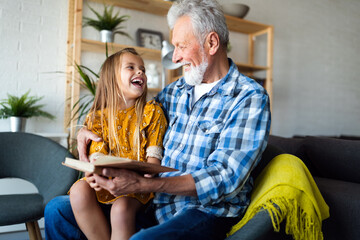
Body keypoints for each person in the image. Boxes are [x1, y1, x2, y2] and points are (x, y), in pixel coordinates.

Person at [45, 0, 271, 239]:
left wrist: (143, 185)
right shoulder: (174, 92)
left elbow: (226, 177)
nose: (174, 58)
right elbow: (133, 115)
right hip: (154, 202)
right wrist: (85, 130)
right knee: (57, 210)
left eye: (181, 46)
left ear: (212, 43)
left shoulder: (248, 96)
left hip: (204, 211)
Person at [67, 48, 168, 240]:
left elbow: (154, 163)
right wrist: (94, 170)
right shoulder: (97, 118)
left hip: (135, 185)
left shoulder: (152, 112)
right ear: (112, 79)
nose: (140, 72)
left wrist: (142, 175)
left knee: (121, 208)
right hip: (105, 179)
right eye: (131, 67)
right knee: (79, 190)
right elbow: (96, 159)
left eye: (142, 69)